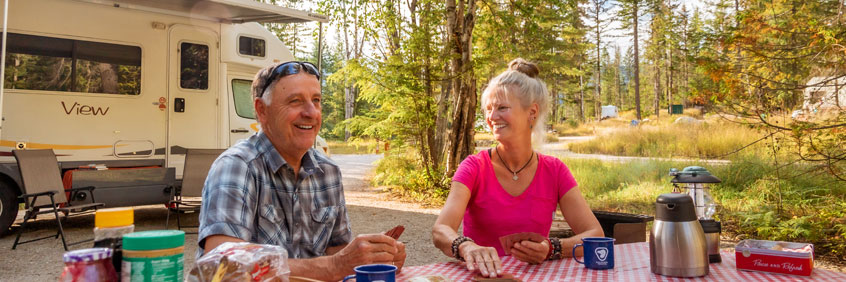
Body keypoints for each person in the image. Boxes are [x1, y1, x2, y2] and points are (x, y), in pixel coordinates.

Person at [197, 61, 406, 281]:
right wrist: (335, 266)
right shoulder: (237, 166)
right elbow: (223, 266)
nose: (311, 112)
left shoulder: (328, 172)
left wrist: (372, 256)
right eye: (295, 101)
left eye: (316, 101)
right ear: (262, 110)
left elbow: (339, 253)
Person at [432, 58, 603, 278]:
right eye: (489, 109)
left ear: (532, 112)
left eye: (502, 108)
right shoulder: (473, 167)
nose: (492, 117)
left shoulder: (555, 170)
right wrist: (466, 247)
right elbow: (440, 230)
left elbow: (594, 234)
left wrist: (551, 249)